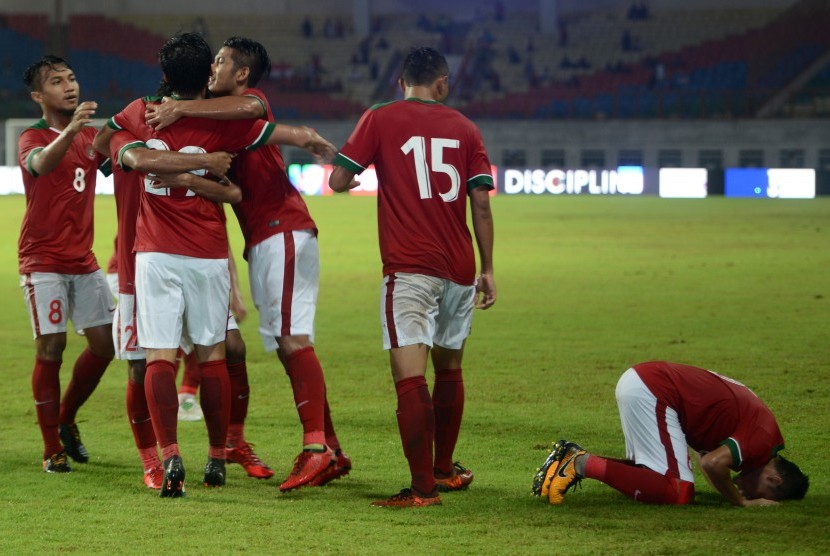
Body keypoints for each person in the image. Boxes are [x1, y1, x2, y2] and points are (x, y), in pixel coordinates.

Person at [106, 32, 336, 497]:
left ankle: (171, 456)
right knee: (221, 353)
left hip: (160, 253)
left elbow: (114, 147)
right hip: (213, 252)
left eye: (222, 62)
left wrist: (147, 146)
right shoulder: (224, 124)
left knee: (158, 358)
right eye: (210, 63)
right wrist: (308, 140)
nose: (215, 69)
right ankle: (221, 454)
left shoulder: (140, 114)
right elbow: (263, 145)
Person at [329, 46, 497, 508]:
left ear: (401, 82)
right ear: (442, 84)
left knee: (409, 378)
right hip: (460, 268)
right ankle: (444, 470)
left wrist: (357, 173)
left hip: (409, 268)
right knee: (449, 368)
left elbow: (339, 181)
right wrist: (487, 269)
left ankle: (423, 489)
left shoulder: (381, 117)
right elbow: (481, 203)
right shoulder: (466, 128)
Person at [93, 123, 238, 489]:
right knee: (142, 367)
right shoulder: (132, 133)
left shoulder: (206, 129)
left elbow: (228, 199)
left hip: (191, 258)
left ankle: (224, 448)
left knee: (224, 350)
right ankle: (151, 461)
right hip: (136, 265)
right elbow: (100, 149)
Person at [18, 55, 116, 473]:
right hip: (42, 260)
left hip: (83, 260)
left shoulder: (90, 138)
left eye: (72, 78)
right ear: (39, 96)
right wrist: (72, 130)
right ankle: (49, 447)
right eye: (57, 82)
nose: (69, 86)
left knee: (104, 344)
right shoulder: (32, 136)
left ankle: (66, 418)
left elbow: (124, 167)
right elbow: (40, 165)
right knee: (52, 346)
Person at [533, 361, 809, 506]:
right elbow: (712, 464)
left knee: (664, 481)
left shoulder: (762, 438)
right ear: (773, 479)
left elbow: (709, 463)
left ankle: (573, 460)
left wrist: (730, 493)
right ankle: (578, 462)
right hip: (656, 391)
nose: (753, 494)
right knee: (677, 492)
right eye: (764, 495)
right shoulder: (762, 440)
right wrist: (741, 503)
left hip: (650, 386)